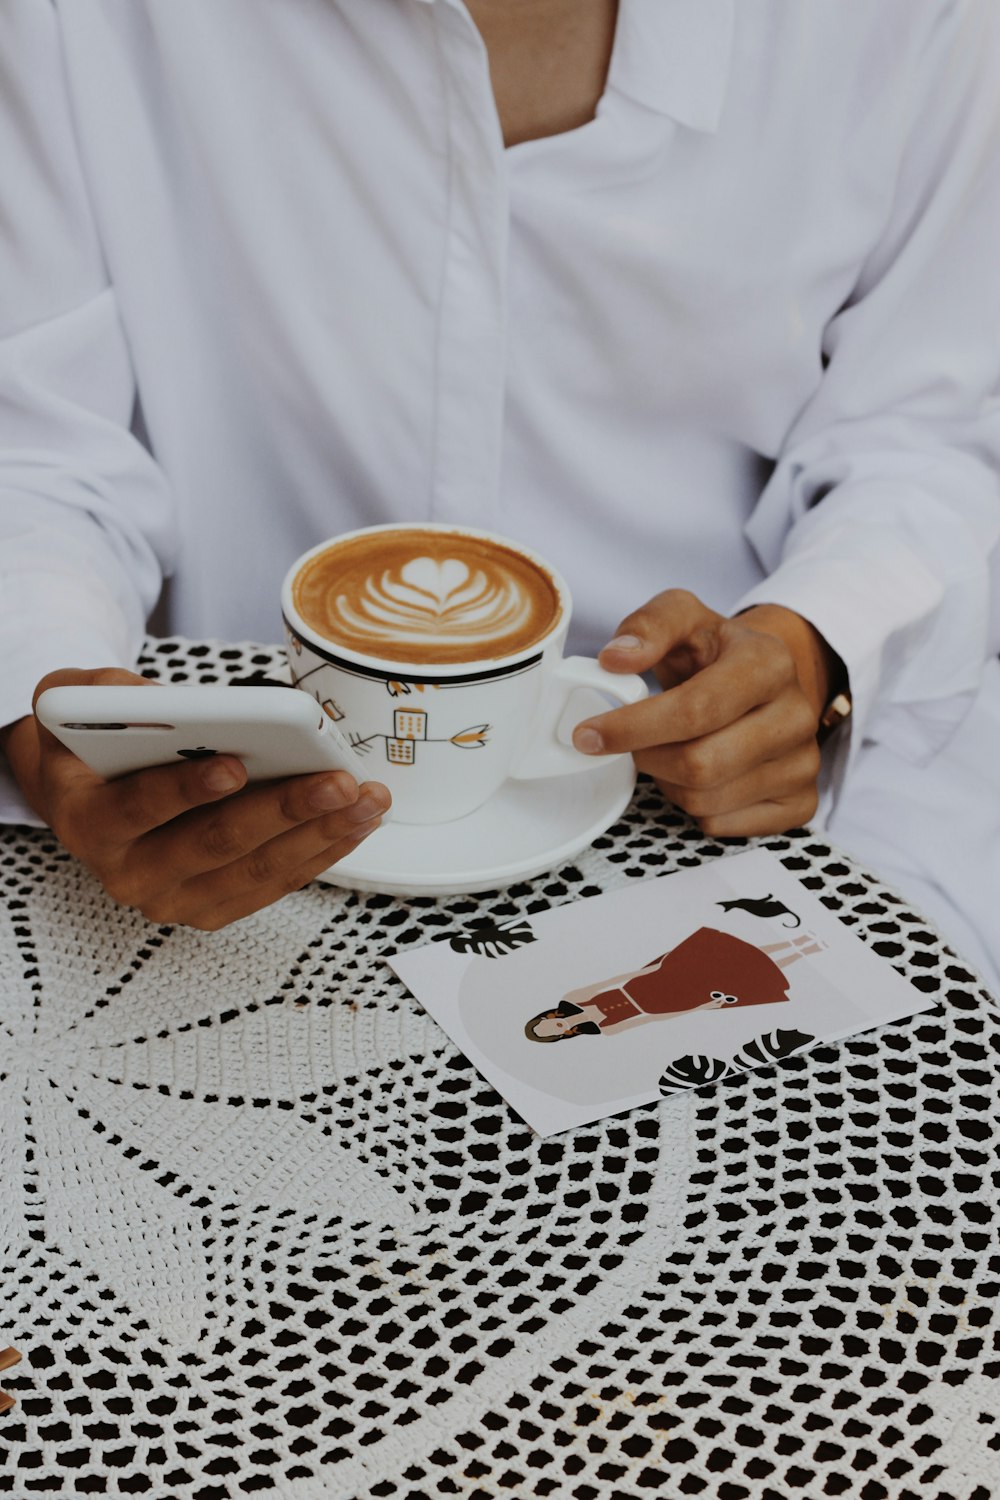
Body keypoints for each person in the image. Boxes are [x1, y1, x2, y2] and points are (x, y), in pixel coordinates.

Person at [1, 2, 998, 984]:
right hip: (221, 835)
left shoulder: (909, 24)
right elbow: (32, 450)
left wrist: (812, 648)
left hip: (728, 803)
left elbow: (927, 428)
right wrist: (56, 700)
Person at [524, 927, 826, 1043]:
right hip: (661, 1003)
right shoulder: (599, 1031)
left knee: (727, 957)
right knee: (740, 980)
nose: (552, 1029)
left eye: (546, 1025)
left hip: (646, 982)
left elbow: (611, 980)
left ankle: (796, 941)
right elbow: (649, 1020)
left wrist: (651, 968)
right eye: (549, 1035)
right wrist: (699, 1008)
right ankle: (805, 952)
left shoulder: (571, 998)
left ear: (549, 1018)